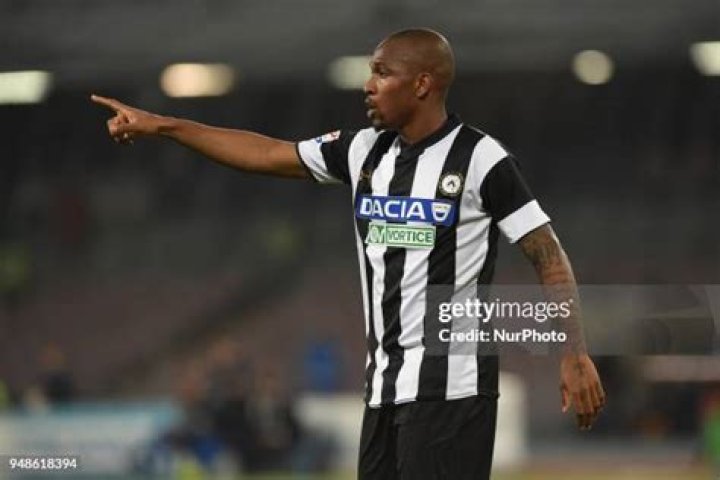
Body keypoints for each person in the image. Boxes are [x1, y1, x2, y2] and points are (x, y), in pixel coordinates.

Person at [92, 28, 605, 480]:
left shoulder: (481, 158)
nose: (368, 85)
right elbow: (267, 153)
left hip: (452, 393)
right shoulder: (364, 150)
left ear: (422, 84)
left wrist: (575, 353)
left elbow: (547, 254)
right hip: (382, 393)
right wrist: (165, 126)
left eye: (382, 73)